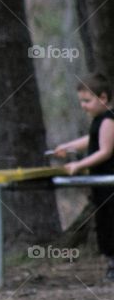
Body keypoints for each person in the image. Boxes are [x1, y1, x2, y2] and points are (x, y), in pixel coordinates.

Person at [53, 72, 114, 280]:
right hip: (101, 187)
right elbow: (91, 140)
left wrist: (79, 165)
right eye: (81, 101)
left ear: (103, 98)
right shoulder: (99, 121)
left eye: (87, 101)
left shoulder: (108, 120)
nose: (83, 106)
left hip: (109, 183)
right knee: (104, 222)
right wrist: (68, 146)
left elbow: (105, 151)